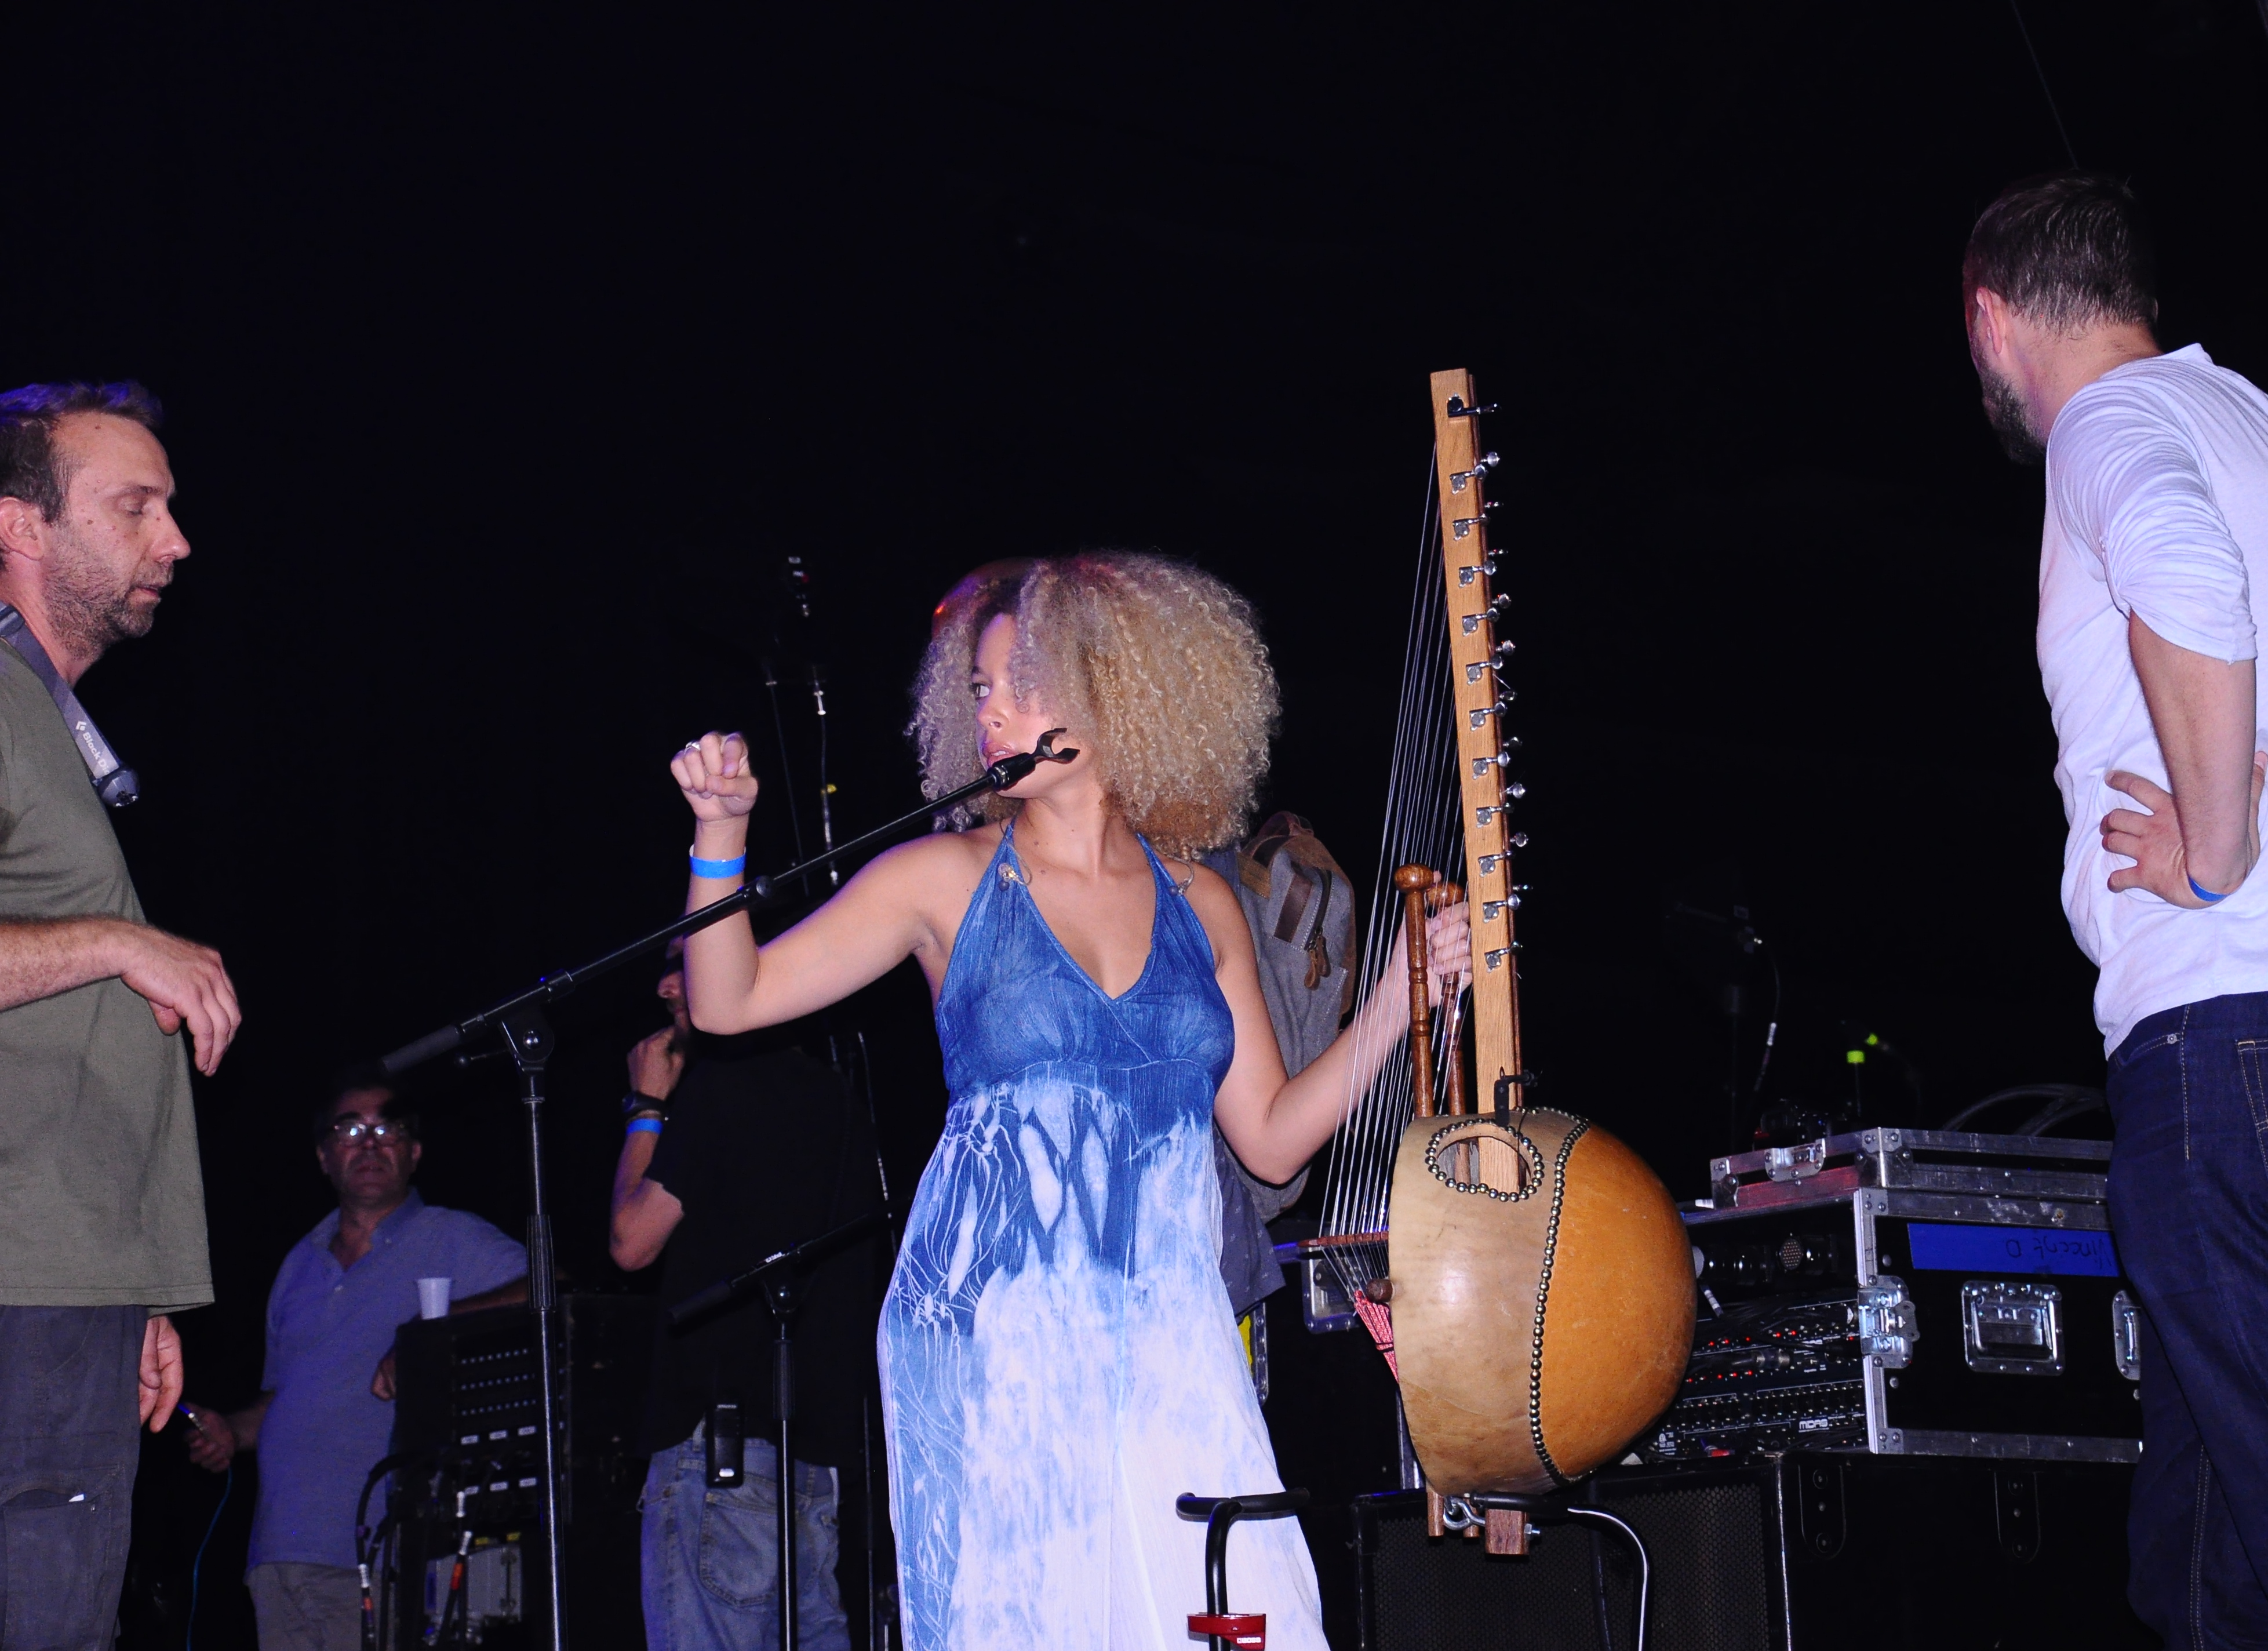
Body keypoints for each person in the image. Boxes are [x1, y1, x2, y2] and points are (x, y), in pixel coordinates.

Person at [667, 552, 1465, 1649]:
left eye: (1023, 684)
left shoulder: (1205, 902)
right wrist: (719, 834)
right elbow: (727, 1002)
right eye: (983, 689)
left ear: (1115, 691)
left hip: (1170, 1322)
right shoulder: (942, 879)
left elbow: (1273, 1143)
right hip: (999, 1324)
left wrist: (1395, 994)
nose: (994, 712)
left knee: (1241, 1606)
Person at [1962, 172, 2268, 1644]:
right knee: (2201, 1560)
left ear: (1991, 321)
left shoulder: (2107, 428)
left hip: (2232, 1034)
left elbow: (2182, 568)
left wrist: (2228, 846)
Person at [0, 381, 241, 1646]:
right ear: (21, 527)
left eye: (174, 507)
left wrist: (136, 1284)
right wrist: (114, 937)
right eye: (134, 506)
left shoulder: (50, 719)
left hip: (70, 1280)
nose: (176, 539)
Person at [184, 1074, 527, 1651]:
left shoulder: (451, 1236)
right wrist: (232, 1431)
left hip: (380, 1549)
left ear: (414, 1152)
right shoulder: (299, 1262)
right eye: (350, 1128)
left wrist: (431, 1332)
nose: (369, 1143)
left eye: (386, 1128)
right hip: (280, 1551)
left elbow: (551, 1289)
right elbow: (286, 1396)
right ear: (324, 1155)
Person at [609, 943, 884, 1650]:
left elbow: (631, 1241)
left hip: (722, 1460)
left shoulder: (718, 1088)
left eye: (684, 960)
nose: (667, 985)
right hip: (813, 1464)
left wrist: (646, 1105)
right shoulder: (841, 1100)